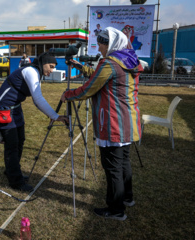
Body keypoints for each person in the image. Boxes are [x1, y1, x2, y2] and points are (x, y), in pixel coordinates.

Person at [61, 27, 143, 221]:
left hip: (113, 123)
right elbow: (99, 76)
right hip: (129, 121)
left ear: (111, 44)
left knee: (112, 167)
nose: (99, 47)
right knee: (123, 162)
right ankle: (127, 198)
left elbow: (88, 89)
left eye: (101, 44)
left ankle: (116, 209)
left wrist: (68, 95)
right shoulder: (129, 59)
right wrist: (80, 66)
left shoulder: (109, 63)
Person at [0, 52, 68, 192]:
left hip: (15, 108)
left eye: (53, 68)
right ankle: (15, 181)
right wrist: (55, 116)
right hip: (5, 109)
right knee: (12, 145)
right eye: (50, 67)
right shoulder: (31, 71)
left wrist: (53, 115)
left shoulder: (37, 73)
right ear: (42, 63)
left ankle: (12, 171)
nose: (52, 71)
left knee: (20, 140)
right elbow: (37, 99)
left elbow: (37, 97)